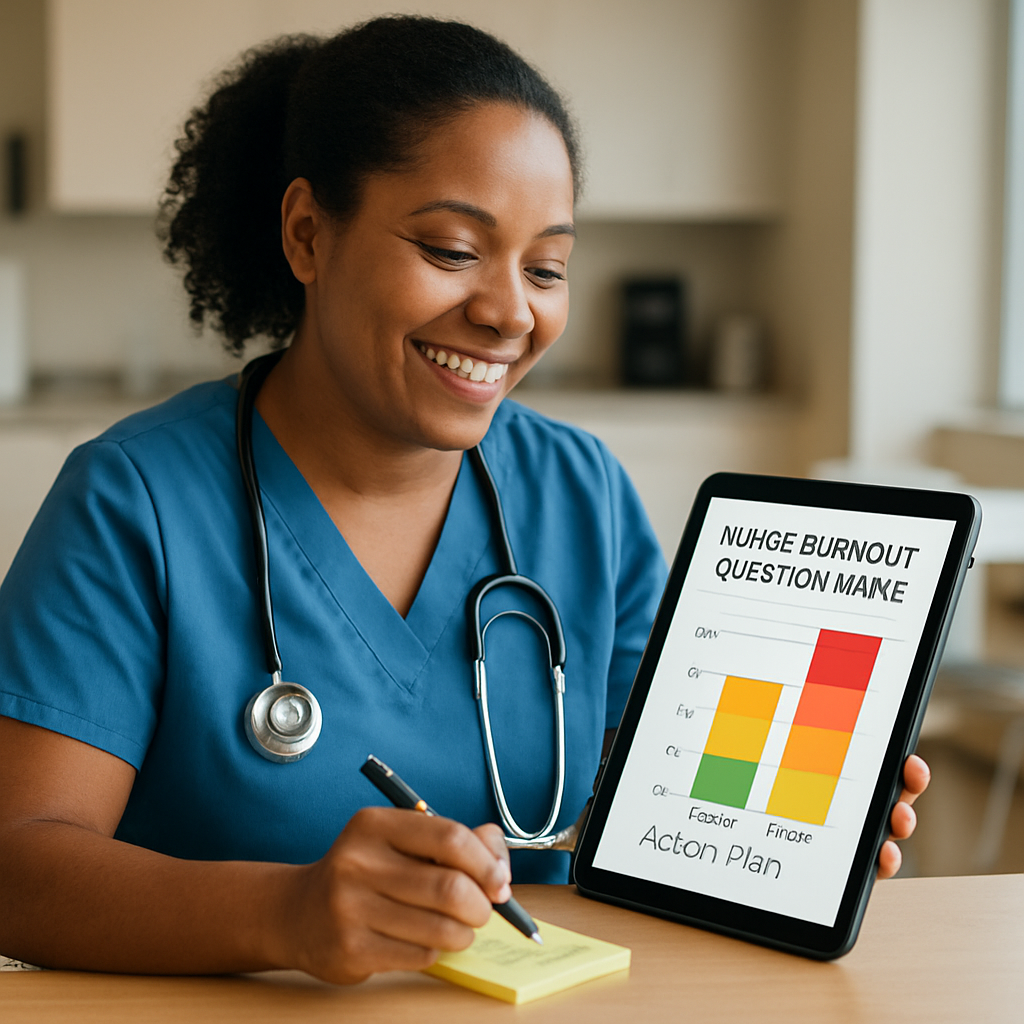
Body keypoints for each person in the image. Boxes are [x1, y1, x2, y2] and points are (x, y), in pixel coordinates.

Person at [0, 15, 928, 985]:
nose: (508, 311)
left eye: (548, 267)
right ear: (308, 233)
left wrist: (775, 835)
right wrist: (284, 914)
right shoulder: (135, 498)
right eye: (451, 248)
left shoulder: (581, 492)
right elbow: (17, 861)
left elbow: (650, 803)